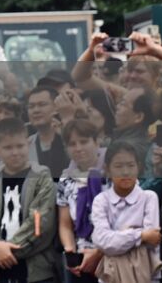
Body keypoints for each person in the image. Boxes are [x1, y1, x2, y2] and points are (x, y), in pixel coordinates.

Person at [0, 117, 58, 283]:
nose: (15, 152)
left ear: (28, 144)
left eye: (20, 146)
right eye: (8, 147)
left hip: (35, 271)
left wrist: (7, 252)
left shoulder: (42, 177)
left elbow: (40, 223)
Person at [89, 141, 162, 283]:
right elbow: (103, 242)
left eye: (131, 165)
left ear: (138, 167)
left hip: (145, 276)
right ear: (107, 169)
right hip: (111, 277)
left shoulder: (149, 197)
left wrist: (118, 236)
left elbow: (152, 242)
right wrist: (140, 234)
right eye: (118, 166)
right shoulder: (101, 200)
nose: (125, 172)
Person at [56, 118, 106, 281]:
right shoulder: (66, 179)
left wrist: (98, 252)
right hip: (80, 258)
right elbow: (65, 224)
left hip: (111, 254)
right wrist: (70, 251)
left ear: (97, 142)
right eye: (72, 144)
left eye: (84, 142)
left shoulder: (114, 170)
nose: (78, 148)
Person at [24, 85, 69, 177]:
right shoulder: (26, 145)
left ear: (56, 107)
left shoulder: (71, 140)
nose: (36, 110)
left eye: (42, 105)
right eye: (31, 106)